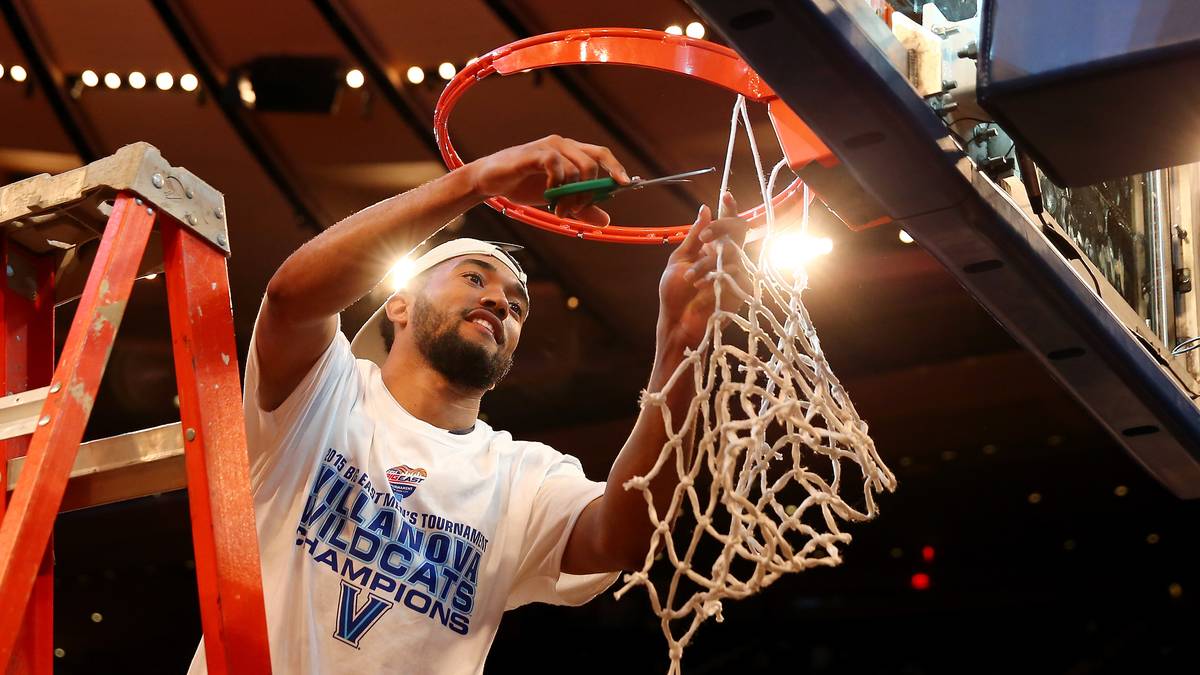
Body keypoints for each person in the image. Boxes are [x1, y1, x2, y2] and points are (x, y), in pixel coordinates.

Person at [188, 135, 748, 674]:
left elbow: (626, 535)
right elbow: (290, 297)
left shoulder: (524, 475)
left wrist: (681, 344)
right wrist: (478, 181)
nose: (497, 302)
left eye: (517, 306)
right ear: (399, 306)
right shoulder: (328, 389)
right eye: (474, 277)